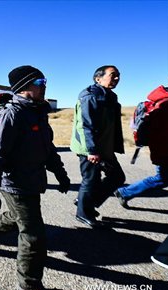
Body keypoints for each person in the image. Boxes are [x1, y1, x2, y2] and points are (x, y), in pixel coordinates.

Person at [0, 66, 70, 290]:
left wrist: (60, 173)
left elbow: (48, 148)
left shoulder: (37, 113)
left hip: (32, 180)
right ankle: (28, 286)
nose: (45, 84)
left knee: (16, 218)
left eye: (45, 79)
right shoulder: (10, 115)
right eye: (40, 80)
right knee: (33, 234)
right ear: (25, 86)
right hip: (14, 182)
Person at [70, 65, 125, 228]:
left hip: (104, 147)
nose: (117, 78)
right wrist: (91, 150)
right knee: (90, 179)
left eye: (118, 76)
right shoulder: (90, 96)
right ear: (98, 78)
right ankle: (83, 213)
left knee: (117, 177)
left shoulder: (110, 97)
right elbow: (85, 125)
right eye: (113, 75)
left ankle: (85, 202)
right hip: (89, 148)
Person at [114, 77, 168, 206]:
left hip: (162, 149)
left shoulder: (162, 101)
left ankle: (125, 192)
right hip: (164, 150)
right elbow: (160, 132)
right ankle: (125, 192)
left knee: (164, 178)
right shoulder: (165, 104)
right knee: (163, 178)